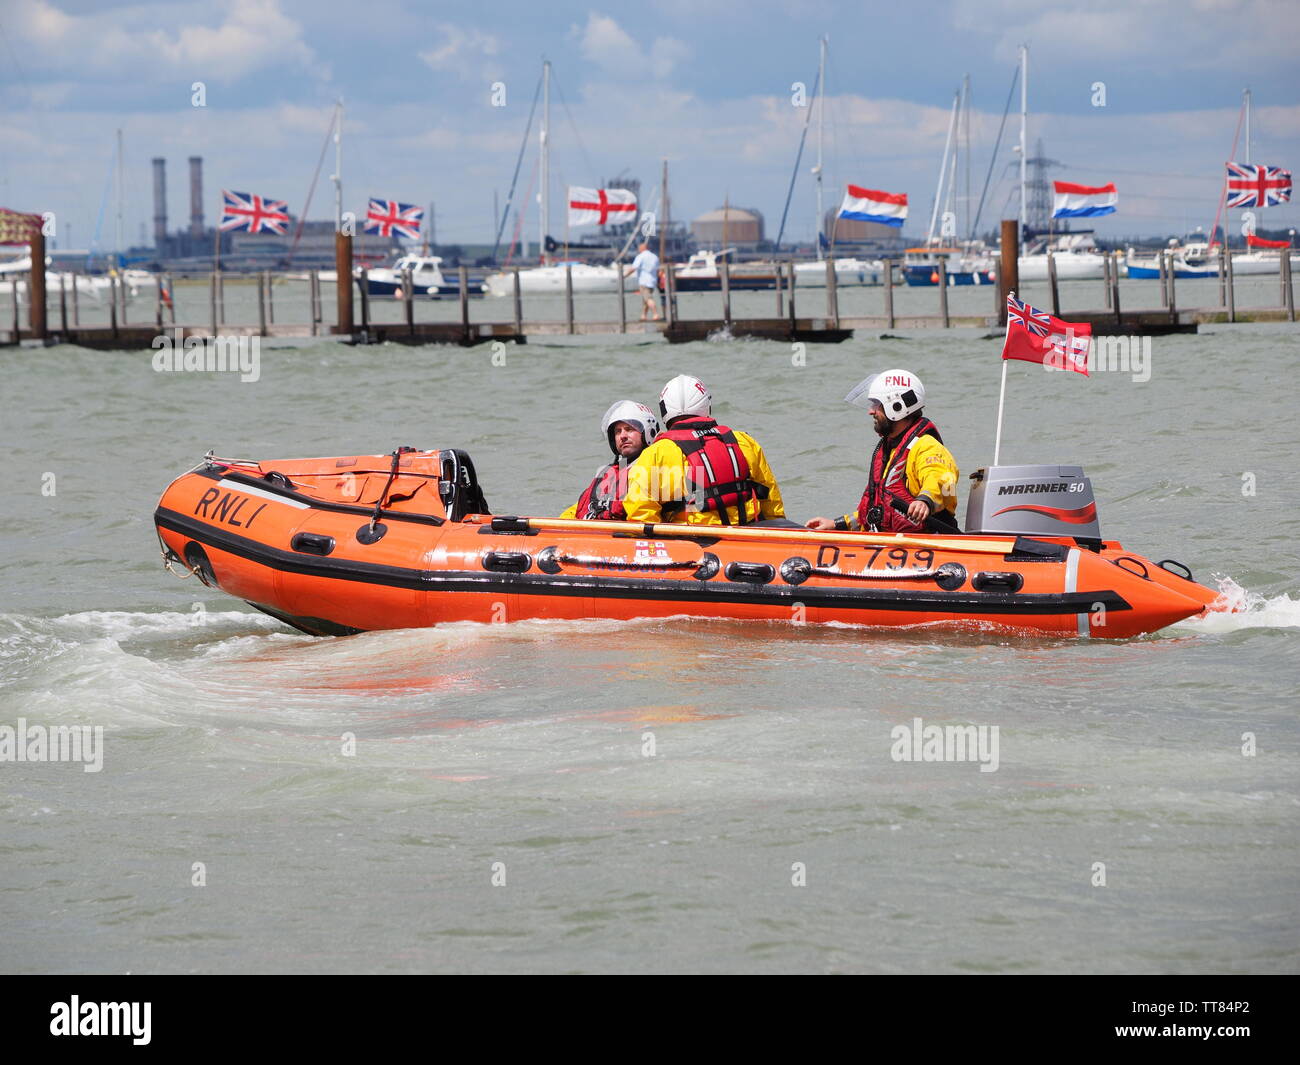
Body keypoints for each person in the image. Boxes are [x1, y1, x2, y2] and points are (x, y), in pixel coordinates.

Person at [806, 368, 960, 534]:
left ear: (897, 406)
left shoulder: (926, 446)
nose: (871, 411)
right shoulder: (890, 450)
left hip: (928, 541)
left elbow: (942, 479)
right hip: (893, 543)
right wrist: (837, 524)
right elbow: (877, 512)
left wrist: (925, 501)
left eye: (876, 405)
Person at [623, 374, 786, 526]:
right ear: (706, 404)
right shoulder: (744, 441)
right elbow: (771, 501)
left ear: (665, 409)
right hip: (747, 536)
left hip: (692, 544)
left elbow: (641, 514)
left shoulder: (656, 453)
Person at [560, 400, 661, 521]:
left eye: (629, 429)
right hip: (595, 533)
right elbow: (579, 508)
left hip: (626, 535)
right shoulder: (608, 473)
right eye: (618, 431)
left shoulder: (655, 467)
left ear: (649, 432)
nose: (622, 436)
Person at [625, 241, 661, 322]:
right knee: (646, 299)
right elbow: (658, 269)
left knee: (648, 298)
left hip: (644, 281)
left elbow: (634, 268)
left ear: (642, 249)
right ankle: (643, 315)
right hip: (653, 281)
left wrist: (624, 276)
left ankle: (655, 314)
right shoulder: (654, 256)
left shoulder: (641, 256)